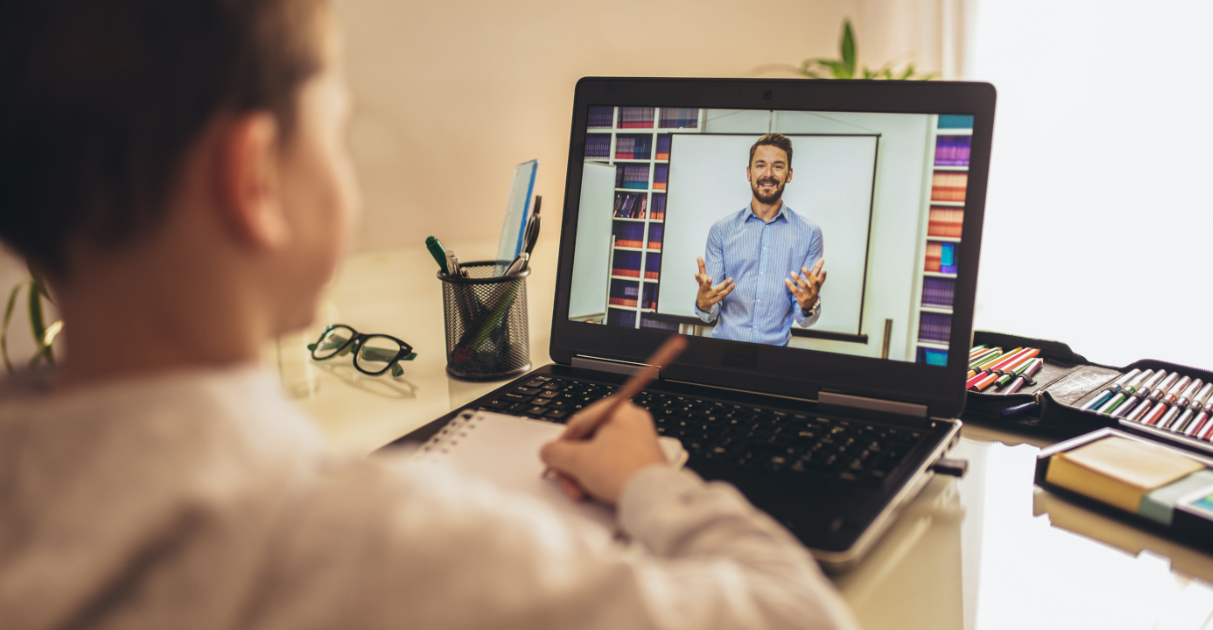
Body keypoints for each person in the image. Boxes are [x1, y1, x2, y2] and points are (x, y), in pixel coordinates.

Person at [0, 1, 859, 628]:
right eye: (339, 133)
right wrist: (649, 483)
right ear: (253, 182)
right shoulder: (373, 550)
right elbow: (797, 615)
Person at [694, 133, 828, 346]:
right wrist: (703, 303)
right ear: (749, 173)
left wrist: (808, 306)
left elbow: (805, 319)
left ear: (789, 174)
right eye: (760, 165)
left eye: (777, 166)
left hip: (773, 360)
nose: (768, 174)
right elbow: (709, 312)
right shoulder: (721, 230)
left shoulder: (810, 234)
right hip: (722, 352)